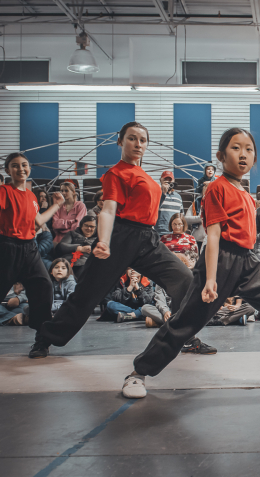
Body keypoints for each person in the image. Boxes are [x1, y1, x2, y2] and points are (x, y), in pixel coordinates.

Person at [122, 127, 260, 399]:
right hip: (221, 260)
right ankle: (138, 374)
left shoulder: (245, 192)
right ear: (220, 155)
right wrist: (209, 279)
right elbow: (213, 235)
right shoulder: (216, 188)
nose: (243, 154)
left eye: (249, 149)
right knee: (186, 323)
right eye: (236, 148)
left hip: (247, 261)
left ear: (254, 159)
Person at [30, 122, 216, 359]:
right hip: (119, 237)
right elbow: (108, 210)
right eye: (132, 138)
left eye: (142, 140)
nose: (138, 144)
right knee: (86, 296)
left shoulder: (147, 177)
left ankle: (185, 336)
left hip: (147, 238)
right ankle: (45, 338)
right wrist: (104, 241)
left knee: (184, 279)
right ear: (120, 141)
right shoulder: (115, 174)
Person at [0, 153, 64, 333]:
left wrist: (57, 205)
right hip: (8, 247)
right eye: (15, 165)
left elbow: (38, 221)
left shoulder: (31, 196)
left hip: (30, 247)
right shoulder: (4, 191)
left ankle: (42, 337)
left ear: (29, 168)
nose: (20, 168)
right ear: (7, 170)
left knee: (44, 286)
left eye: (24, 165)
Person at [55, 214, 97, 278]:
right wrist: (79, 248)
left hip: (86, 264)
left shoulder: (98, 239)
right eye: (86, 225)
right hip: (68, 261)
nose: (89, 228)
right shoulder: (72, 234)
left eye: (92, 226)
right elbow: (61, 247)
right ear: (81, 225)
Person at [155, 171, 183, 236]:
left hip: (174, 233)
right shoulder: (156, 194)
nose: (168, 183)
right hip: (159, 233)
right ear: (160, 180)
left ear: (173, 181)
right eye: (165, 180)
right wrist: (163, 194)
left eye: (170, 180)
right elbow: (153, 210)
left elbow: (181, 215)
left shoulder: (178, 197)